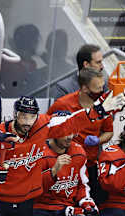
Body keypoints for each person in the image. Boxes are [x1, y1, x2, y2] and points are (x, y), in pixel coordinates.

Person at [0, 93, 125, 216]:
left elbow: (71, 122)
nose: (27, 122)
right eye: (23, 116)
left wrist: (98, 110)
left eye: (32, 116)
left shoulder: (42, 128)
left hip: (26, 204)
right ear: (15, 114)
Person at [47, 69, 117, 202]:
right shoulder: (62, 104)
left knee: (93, 203)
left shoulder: (104, 106)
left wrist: (98, 140)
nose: (102, 92)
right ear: (85, 88)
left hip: (90, 164)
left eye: (103, 87)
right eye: (98, 88)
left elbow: (109, 132)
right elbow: (47, 130)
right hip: (64, 164)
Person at [33, 131, 98, 216]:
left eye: (72, 133)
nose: (70, 137)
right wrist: (54, 170)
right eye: (65, 133)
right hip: (42, 209)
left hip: (67, 208)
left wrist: (87, 203)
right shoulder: (38, 152)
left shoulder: (78, 151)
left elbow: (82, 184)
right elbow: (32, 189)